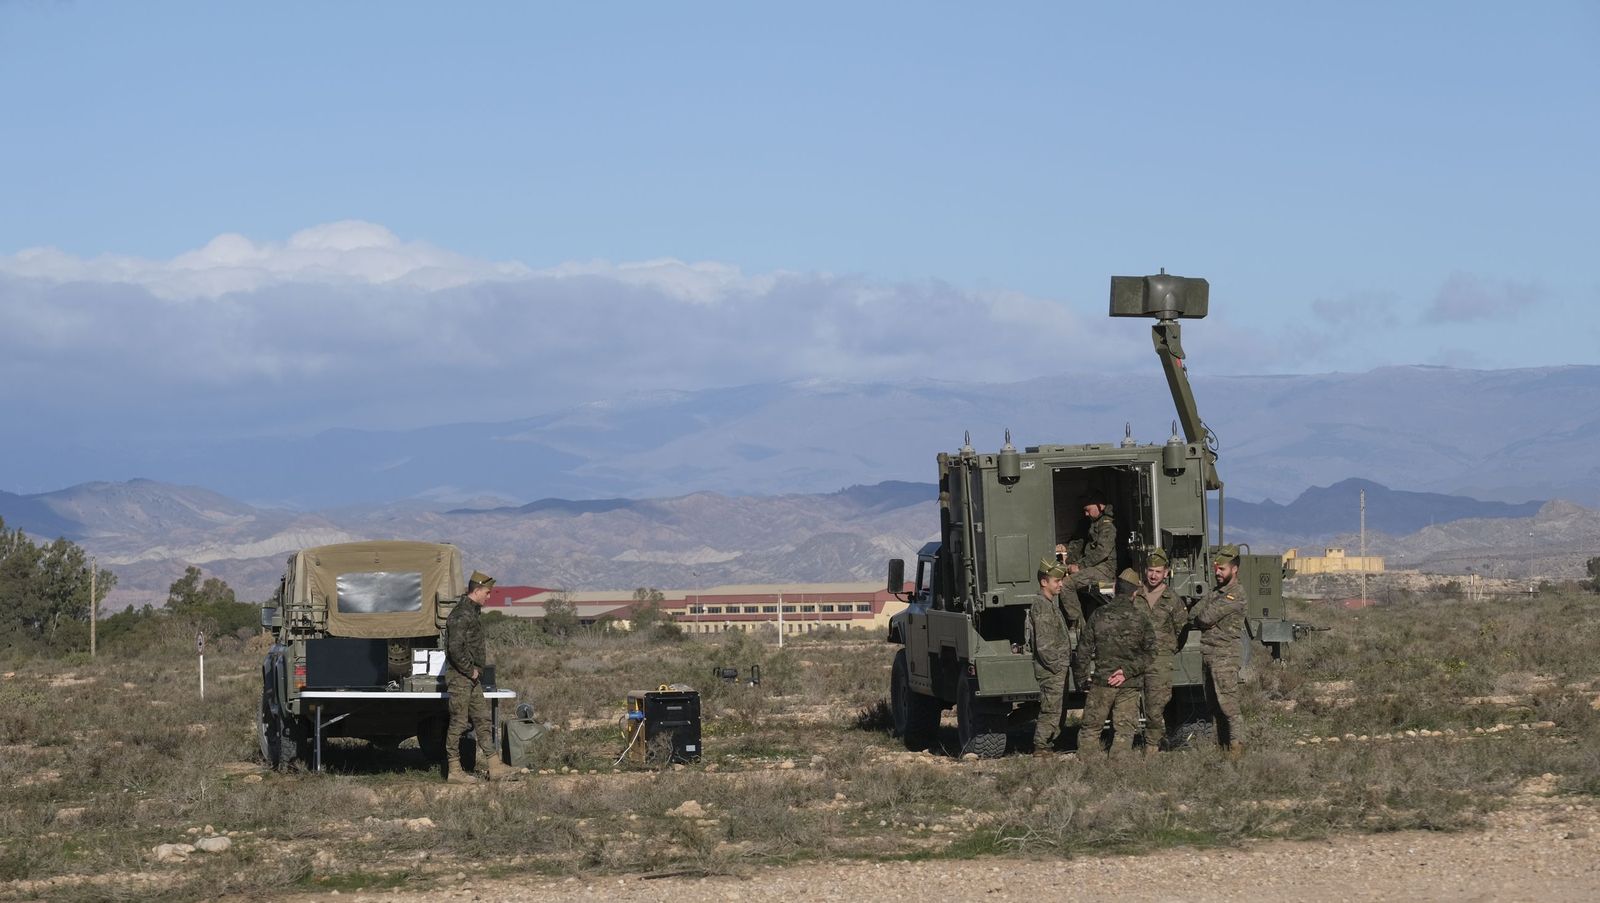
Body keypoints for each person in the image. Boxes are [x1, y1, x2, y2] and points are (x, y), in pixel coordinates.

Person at [1072, 568, 1156, 759]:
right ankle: (1119, 765)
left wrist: (1081, 680)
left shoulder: (1098, 615)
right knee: (1124, 730)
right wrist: (1126, 672)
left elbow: (1083, 650)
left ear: (1115, 588)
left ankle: (1087, 765)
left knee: (1091, 728)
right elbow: (1151, 653)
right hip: (1129, 683)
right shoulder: (1141, 618)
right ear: (1134, 593)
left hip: (1102, 681)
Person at [444, 570, 513, 783]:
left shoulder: (471, 612)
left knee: (482, 719)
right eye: (487, 592)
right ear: (476, 591)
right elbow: (454, 648)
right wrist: (469, 669)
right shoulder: (461, 615)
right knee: (458, 722)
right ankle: (454, 770)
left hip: (471, 678)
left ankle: (495, 765)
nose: (489, 597)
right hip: (461, 677)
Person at [1191, 545, 1248, 756]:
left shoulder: (1235, 595)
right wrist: (1205, 619)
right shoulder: (1217, 592)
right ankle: (1223, 750)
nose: (1217, 572)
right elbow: (1195, 614)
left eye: (1221, 569)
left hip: (1225, 656)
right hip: (1210, 655)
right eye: (1216, 568)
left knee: (1230, 708)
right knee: (1215, 708)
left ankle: (1236, 751)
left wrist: (1205, 619)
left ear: (1234, 569)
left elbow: (1204, 617)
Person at [1134, 548, 1188, 750]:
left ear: (1166, 573)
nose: (1153, 575)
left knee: (1155, 705)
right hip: (1136, 657)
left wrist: (1168, 650)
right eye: (1150, 570)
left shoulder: (1173, 600)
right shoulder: (1135, 595)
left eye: (1158, 571)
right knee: (1131, 703)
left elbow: (1182, 630)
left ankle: (1152, 747)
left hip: (1160, 659)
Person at [1030, 556, 1074, 755]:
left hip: (1056, 669)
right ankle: (1041, 746)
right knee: (1051, 709)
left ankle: (1047, 744)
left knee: (1057, 709)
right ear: (1044, 582)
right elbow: (1044, 644)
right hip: (1051, 670)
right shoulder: (1042, 606)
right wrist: (1058, 666)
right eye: (1057, 581)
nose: (1060, 584)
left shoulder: (1049, 605)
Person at [1065, 497, 1117, 615]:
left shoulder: (1107, 525)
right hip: (1097, 568)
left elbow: (1102, 551)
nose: (1086, 513)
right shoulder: (1096, 523)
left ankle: (1077, 625)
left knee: (1066, 585)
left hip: (1104, 570)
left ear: (1099, 505)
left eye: (1087, 509)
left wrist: (1080, 566)